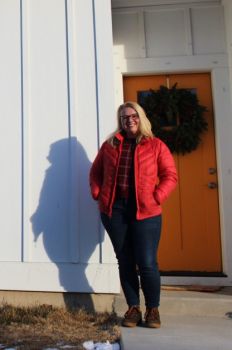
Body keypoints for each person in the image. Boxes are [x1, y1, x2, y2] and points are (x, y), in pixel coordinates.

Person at [89, 101, 178, 328]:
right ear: (121, 121)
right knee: (125, 261)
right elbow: (96, 171)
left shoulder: (156, 145)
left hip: (146, 212)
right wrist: (97, 192)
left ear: (141, 117)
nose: (129, 120)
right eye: (125, 117)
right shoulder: (110, 145)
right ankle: (133, 308)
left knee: (147, 263)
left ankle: (153, 310)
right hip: (114, 211)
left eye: (133, 116)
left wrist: (157, 197)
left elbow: (170, 175)